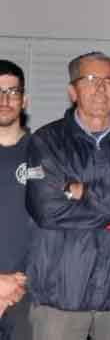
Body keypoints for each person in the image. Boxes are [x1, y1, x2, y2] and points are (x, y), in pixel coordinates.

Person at [25, 52, 110, 340]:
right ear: (72, 91)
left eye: (109, 81)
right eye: (90, 79)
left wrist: (82, 191)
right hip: (60, 294)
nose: (101, 88)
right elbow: (47, 209)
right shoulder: (46, 141)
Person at [0, 61, 31, 340]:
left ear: (25, 100)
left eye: (12, 91)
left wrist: (18, 283)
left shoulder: (46, 154)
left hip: (28, 294)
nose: (4, 99)